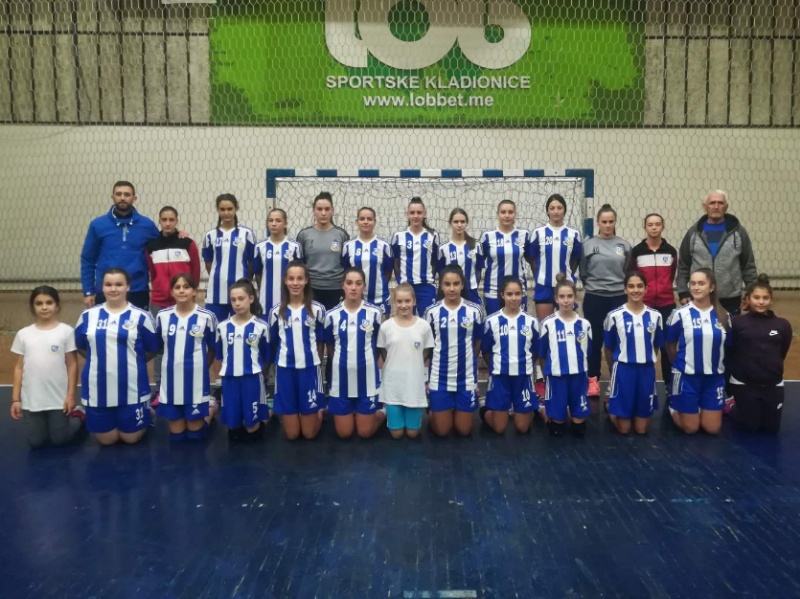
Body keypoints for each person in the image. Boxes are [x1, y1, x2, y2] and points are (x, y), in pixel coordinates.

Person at [74, 268, 159, 445]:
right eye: (108, 284)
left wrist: (132, 362)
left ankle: (146, 412)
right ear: (102, 287)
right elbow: (81, 346)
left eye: (119, 284)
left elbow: (153, 348)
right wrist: (100, 360)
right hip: (98, 389)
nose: (113, 289)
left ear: (128, 287)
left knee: (130, 439)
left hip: (132, 388)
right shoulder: (88, 316)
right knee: (107, 440)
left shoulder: (142, 316)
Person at [10, 286, 85, 449]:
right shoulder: (23, 334)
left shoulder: (66, 332)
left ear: (57, 305)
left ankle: (79, 416)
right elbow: (19, 368)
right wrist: (16, 399)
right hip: (32, 400)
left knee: (59, 440)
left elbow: (72, 365)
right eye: (39, 303)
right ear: (33, 307)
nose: (44, 307)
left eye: (49, 302)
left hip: (58, 399)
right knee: (36, 442)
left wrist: (71, 396)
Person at [146, 205, 201, 404]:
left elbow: (195, 271)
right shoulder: (151, 245)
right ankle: (160, 389)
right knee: (160, 347)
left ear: (177, 221)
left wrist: (191, 295)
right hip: (159, 302)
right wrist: (160, 288)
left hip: (184, 303)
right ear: (159, 221)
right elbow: (152, 272)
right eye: (164, 220)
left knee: (187, 342)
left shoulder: (188, 243)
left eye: (171, 220)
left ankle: (187, 384)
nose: (168, 223)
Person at [665, 268, 730, 435]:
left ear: (711, 287)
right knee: (691, 428)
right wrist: (680, 366)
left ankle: (698, 406)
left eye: (701, 283)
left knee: (712, 429)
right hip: (687, 377)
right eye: (692, 283)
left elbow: (728, 346)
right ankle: (674, 406)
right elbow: (670, 344)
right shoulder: (679, 314)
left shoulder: (724, 316)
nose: (696, 287)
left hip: (713, 379)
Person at [154, 274, 218, 442]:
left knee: (195, 435)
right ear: (172, 292)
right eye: (177, 287)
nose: (182, 291)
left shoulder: (207, 316)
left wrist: (202, 367)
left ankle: (211, 408)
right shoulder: (162, 316)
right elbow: (157, 346)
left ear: (194, 291)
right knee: (177, 436)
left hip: (195, 381)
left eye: (186, 287)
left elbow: (213, 347)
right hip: (171, 382)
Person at [324, 267, 386, 439]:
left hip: (367, 381)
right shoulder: (331, 316)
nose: (353, 287)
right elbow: (330, 348)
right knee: (344, 434)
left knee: (364, 433)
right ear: (342, 285)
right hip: (341, 381)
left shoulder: (375, 314)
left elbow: (379, 346)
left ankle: (383, 412)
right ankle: (353, 413)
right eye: (349, 283)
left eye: (358, 283)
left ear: (364, 286)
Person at [268, 261, 326, 440]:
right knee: (292, 435)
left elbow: (321, 341)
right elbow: (273, 342)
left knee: (308, 434)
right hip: (285, 371)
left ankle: (319, 412)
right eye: (291, 278)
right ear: (285, 281)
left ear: (306, 280)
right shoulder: (276, 312)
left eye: (300, 278)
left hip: (309, 370)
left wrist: (315, 363)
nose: (295, 283)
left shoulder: (317, 309)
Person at [727, 275, 792, 433]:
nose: (761, 302)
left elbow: (782, 352)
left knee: (771, 429)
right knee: (750, 427)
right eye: (756, 297)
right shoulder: (737, 323)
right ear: (748, 299)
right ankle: (732, 405)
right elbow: (730, 351)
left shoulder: (783, 325)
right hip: (744, 383)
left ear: (771, 300)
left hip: (773, 384)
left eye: (765, 298)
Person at [675, 190, 757, 316]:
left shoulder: (739, 232)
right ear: (705, 207)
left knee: (729, 328)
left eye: (720, 203)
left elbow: (748, 265)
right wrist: (683, 291)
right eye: (712, 203)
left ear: (726, 207)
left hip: (730, 297)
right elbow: (683, 266)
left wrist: (751, 293)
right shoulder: (693, 233)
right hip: (699, 297)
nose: (716, 206)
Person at [424, 265, 484, 437]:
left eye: (456, 284)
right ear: (441, 286)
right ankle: (435, 411)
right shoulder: (431, 312)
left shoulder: (475, 311)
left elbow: (477, 341)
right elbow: (428, 346)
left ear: (462, 285)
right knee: (442, 432)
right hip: (439, 378)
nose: (452, 288)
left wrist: (471, 364)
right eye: (447, 284)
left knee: (464, 431)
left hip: (465, 378)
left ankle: (452, 409)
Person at [81, 181, 159, 310]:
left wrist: (178, 234)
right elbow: (88, 259)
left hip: (137, 290)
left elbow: (163, 245)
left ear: (134, 198)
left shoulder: (147, 225)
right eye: (118, 194)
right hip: (106, 290)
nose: (122, 198)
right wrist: (88, 291)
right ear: (113, 197)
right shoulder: (97, 225)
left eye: (127, 194)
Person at [579, 204, 631, 399]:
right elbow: (583, 271)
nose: (608, 225)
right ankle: (593, 379)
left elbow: (627, 270)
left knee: (617, 341)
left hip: (618, 298)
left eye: (611, 221)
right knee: (594, 341)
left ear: (615, 222)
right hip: (595, 297)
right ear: (598, 223)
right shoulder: (588, 245)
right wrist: (595, 285)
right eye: (604, 222)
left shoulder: (624, 245)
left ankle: (616, 379)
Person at [603, 271, 664, 435]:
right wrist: (614, 371)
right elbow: (608, 347)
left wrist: (646, 358)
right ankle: (610, 406)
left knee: (641, 430)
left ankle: (630, 407)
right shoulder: (614, 316)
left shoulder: (656, 316)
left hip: (646, 371)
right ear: (625, 289)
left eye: (639, 286)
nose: (635, 290)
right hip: (623, 370)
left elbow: (656, 346)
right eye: (631, 286)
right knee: (624, 429)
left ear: (646, 289)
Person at [479, 276, 539, 434]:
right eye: (510, 294)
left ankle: (523, 409)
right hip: (500, 377)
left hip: (523, 378)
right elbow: (486, 350)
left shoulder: (531, 322)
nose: (514, 298)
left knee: (522, 428)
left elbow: (535, 351)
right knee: (499, 429)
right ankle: (485, 410)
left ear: (523, 295)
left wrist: (525, 364)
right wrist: (495, 367)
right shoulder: (491, 321)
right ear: (502, 295)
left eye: (517, 294)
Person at [214, 279, 271, 443]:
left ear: (251, 299)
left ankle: (266, 417)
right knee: (233, 426)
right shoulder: (222, 327)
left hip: (252, 378)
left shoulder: (261, 326)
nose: (237, 303)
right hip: (230, 379)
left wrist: (261, 374)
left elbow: (266, 355)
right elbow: (220, 355)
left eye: (241, 298)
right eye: (233, 300)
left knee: (252, 426)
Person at [377, 283, 434, 439]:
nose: (403, 305)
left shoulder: (423, 326)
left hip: (413, 385)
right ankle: (385, 411)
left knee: (412, 434)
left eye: (407, 301)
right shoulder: (386, 327)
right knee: (396, 435)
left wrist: (414, 364)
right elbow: (383, 352)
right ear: (394, 302)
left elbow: (427, 351)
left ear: (414, 301)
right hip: (393, 384)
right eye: (399, 301)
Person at [538, 274, 592, 437]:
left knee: (579, 430)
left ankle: (568, 410)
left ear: (575, 297)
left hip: (578, 378)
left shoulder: (584, 325)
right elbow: (542, 354)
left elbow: (588, 352)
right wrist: (547, 376)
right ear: (556, 299)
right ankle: (542, 409)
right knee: (556, 430)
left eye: (569, 296)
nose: (566, 300)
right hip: (557, 378)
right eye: (562, 296)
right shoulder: (548, 324)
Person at [630, 213, 677, 397]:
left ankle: (669, 385)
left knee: (667, 346)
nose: (654, 227)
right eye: (650, 224)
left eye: (657, 224)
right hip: (645, 306)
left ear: (663, 227)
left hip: (667, 304)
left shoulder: (671, 251)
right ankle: (644, 384)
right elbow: (633, 277)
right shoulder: (637, 251)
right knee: (645, 345)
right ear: (645, 227)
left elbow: (672, 274)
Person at [201, 193, 256, 324]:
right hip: (216, 293)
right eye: (222, 209)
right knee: (215, 330)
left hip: (240, 292)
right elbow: (208, 262)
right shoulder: (210, 235)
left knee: (241, 327)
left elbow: (252, 261)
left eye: (230, 209)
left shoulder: (247, 234)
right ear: (218, 210)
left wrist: (245, 282)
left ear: (236, 208)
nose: (226, 213)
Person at [528, 194, 582, 323]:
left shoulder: (574, 234)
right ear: (547, 211)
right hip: (544, 287)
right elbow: (532, 258)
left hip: (566, 287)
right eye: (552, 208)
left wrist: (567, 276)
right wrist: (539, 276)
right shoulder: (538, 233)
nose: (556, 211)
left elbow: (576, 259)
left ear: (564, 210)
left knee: (567, 326)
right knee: (544, 327)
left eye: (559, 208)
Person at [296, 191, 350, 310]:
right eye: (319, 209)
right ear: (313, 211)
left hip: (336, 288)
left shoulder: (341, 235)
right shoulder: (304, 235)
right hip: (311, 288)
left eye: (327, 209)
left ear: (332, 211)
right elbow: (299, 265)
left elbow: (347, 265)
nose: (323, 213)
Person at [478, 199, 533, 316]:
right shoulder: (487, 236)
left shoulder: (524, 235)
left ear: (515, 214)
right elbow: (478, 263)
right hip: (493, 290)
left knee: (518, 324)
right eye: (503, 212)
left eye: (510, 212)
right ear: (497, 214)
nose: (507, 215)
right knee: (495, 324)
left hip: (517, 292)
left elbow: (532, 260)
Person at [392, 197, 440, 316]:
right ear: (407, 214)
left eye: (419, 212)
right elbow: (395, 262)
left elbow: (435, 261)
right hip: (406, 287)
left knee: (429, 321)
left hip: (426, 287)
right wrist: (400, 281)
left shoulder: (433, 235)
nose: (416, 216)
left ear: (424, 214)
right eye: (412, 213)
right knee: (405, 321)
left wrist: (429, 278)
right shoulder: (399, 236)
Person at [341, 207, 393, 314]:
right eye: (362, 219)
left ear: (374, 222)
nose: (365, 222)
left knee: (381, 325)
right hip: (356, 299)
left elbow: (388, 272)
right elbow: (346, 272)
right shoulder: (348, 246)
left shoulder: (384, 245)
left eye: (369, 219)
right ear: (357, 221)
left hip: (379, 298)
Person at [253, 208, 302, 315]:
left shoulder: (295, 246)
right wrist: (262, 291)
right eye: (271, 220)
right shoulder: (260, 246)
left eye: (278, 220)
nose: (274, 224)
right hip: (266, 300)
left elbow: (300, 274)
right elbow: (257, 273)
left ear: (285, 224)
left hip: (288, 298)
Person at [437, 208, 481, 306]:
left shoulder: (476, 245)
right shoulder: (443, 248)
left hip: (471, 292)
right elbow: (441, 272)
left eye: (462, 222)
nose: (459, 225)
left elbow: (479, 270)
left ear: (466, 223)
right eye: (456, 222)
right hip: (450, 293)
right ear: (450, 223)